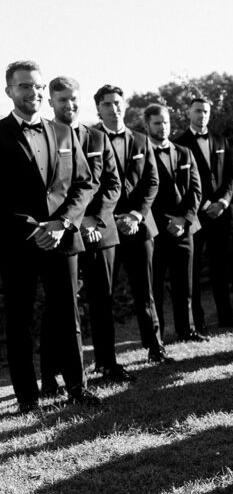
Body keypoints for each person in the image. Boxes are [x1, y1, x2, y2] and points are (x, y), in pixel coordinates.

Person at [0, 60, 98, 412]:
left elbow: (85, 183)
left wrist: (63, 224)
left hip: (64, 238)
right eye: (25, 86)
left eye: (38, 86)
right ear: (9, 90)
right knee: (20, 319)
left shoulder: (63, 132)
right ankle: (28, 398)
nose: (35, 92)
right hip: (19, 243)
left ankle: (77, 388)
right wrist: (35, 228)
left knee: (67, 315)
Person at [40, 76, 127, 391]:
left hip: (99, 231)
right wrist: (73, 222)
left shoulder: (95, 137)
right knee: (60, 307)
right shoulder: (45, 137)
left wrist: (95, 219)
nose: (69, 105)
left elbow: (112, 184)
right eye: (62, 100)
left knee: (103, 300)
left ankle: (108, 364)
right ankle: (50, 376)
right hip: (63, 234)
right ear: (51, 102)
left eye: (73, 99)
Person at [93, 84, 170, 364]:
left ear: (124, 105)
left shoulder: (141, 139)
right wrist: (111, 218)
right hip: (106, 228)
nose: (114, 108)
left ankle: (156, 347)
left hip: (140, 225)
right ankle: (105, 360)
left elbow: (152, 181)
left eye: (117, 102)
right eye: (107, 104)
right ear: (98, 109)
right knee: (104, 295)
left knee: (145, 291)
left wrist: (137, 215)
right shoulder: (90, 140)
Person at [173, 95, 233, 331]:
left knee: (221, 268)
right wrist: (204, 206)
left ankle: (226, 316)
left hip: (221, 214)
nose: (202, 115)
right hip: (196, 216)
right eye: (197, 111)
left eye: (205, 111)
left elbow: (231, 175)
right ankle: (198, 322)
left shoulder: (220, 139)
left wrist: (223, 202)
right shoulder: (179, 143)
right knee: (192, 271)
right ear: (189, 113)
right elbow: (181, 184)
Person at [144, 104, 205, 344]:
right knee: (155, 286)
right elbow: (143, 193)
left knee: (185, 284)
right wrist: (164, 223)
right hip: (156, 231)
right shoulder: (142, 152)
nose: (163, 127)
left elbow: (196, 190)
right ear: (147, 125)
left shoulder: (184, 152)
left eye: (166, 122)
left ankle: (187, 330)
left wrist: (184, 219)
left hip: (184, 229)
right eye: (158, 123)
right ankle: (156, 337)